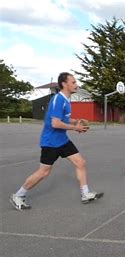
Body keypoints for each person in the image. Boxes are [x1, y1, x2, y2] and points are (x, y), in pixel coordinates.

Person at [9, 72, 103, 210]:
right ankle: (18, 195)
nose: (76, 85)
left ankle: (85, 193)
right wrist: (75, 128)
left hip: (62, 140)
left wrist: (76, 121)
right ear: (64, 84)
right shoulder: (58, 100)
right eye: (73, 82)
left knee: (80, 162)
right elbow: (55, 123)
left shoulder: (65, 100)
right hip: (51, 142)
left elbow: (63, 119)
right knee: (44, 172)